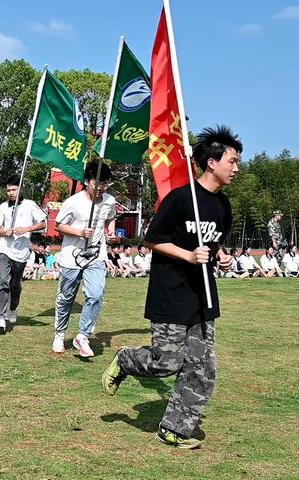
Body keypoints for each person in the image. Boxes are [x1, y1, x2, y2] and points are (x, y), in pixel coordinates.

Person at [102, 125, 242, 449]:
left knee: (203, 368)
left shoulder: (223, 206)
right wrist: (189, 256)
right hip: (171, 293)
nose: (235, 168)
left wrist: (221, 257)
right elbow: (152, 239)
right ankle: (125, 360)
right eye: (231, 161)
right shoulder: (180, 199)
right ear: (212, 162)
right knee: (166, 362)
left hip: (203, 297)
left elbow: (214, 244)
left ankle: (174, 429)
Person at [52, 160, 116, 357]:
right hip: (71, 258)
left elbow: (110, 216)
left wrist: (110, 231)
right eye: (97, 183)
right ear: (87, 181)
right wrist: (79, 232)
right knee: (66, 298)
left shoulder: (109, 201)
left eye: (105, 184)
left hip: (96, 257)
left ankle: (83, 335)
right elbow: (58, 225)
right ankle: (60, 334)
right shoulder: (73, 202)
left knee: (95, 295)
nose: (101, 188)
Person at [0, 174, 47, 334]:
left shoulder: (30, 205)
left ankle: (13, 308)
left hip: (22, 252)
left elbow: (43, 223)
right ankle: (1, 318)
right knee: (3, 281)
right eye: (8, 190)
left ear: (20, 188)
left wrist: (27, 229)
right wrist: (3, 231)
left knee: (15, 284)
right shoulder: (3, 206)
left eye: (14, 189)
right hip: (4, 248)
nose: (11, 193)